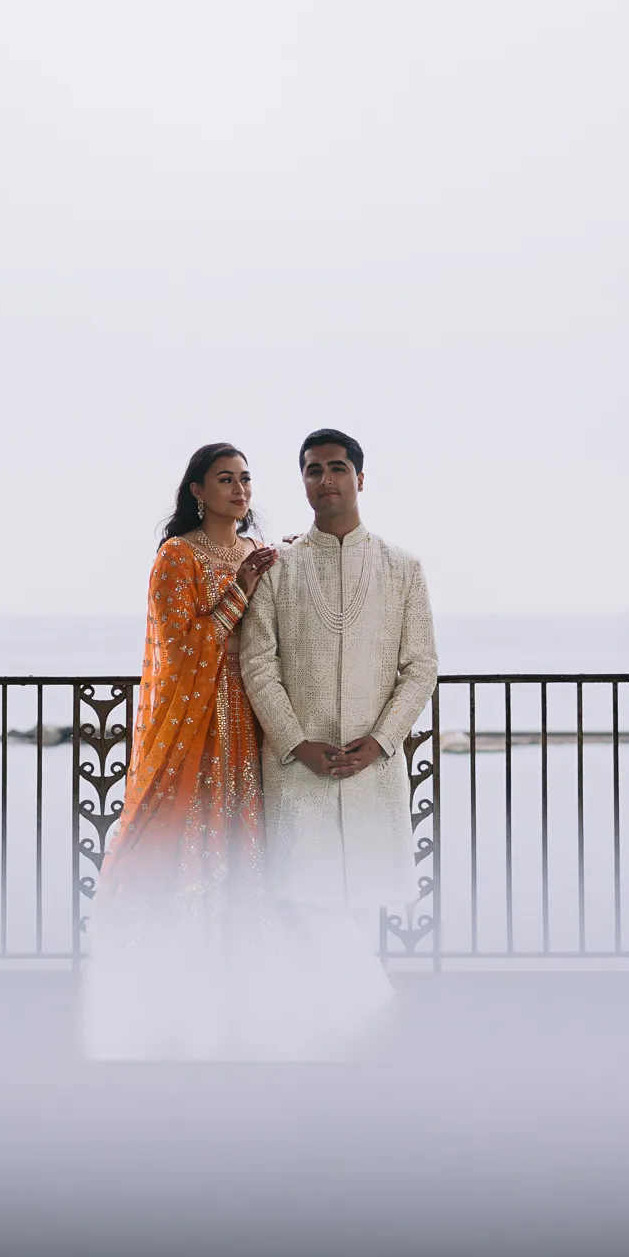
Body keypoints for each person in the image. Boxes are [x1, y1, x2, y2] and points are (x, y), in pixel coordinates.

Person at [83, 442, 277, 1058]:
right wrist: (240, 591)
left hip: (250, 717)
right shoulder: (177, 556)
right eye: (225, 479)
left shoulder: (254, 551)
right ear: (197, 490)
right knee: (191, 835)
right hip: (195, 722)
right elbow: (178, 646)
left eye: (245, 479)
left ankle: (243, 985)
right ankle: (176, 985)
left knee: (245, 839)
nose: (240, 490)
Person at [239, 428, 438, 1025]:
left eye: (336, 467)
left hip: (371, 768)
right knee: (302, 898)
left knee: (358, 905)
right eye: (312, 470)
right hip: (299, 769)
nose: (324, 479)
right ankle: (377, 1015)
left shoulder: (402, 568)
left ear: (359, 477)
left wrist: (381, 741)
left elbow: (421, 665)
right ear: (303, 482)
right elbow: (257, 661)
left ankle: (340, 1030)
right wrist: (296, 743)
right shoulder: (279, 568)